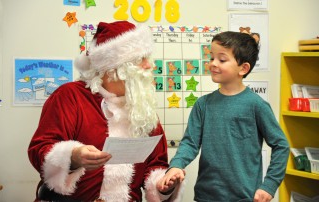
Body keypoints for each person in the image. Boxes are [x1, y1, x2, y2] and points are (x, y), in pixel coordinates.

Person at [28, 21, 184, 202]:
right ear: (114, 68)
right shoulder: (70, 96)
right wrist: (73, 157)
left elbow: (156, 163)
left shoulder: (143, 107)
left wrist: (163, 184)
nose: (149, 66)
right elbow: (40, 149)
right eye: (140, 59)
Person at [157, 31, 290, 202]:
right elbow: (190, 143)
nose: (213, 63)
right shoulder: (202, 104)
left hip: (245, 197)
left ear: (243, 68)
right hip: (206, 197)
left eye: (222, 59)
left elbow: (281, 145)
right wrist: (176, 166)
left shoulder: (256, 105)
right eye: (211, 57)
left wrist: (269, 186)